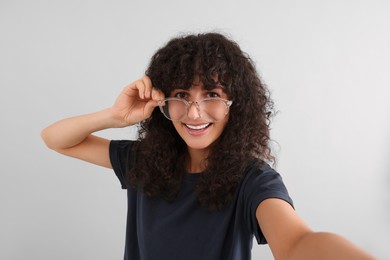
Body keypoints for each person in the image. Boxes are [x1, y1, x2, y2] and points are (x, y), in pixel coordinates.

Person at [41, 32, 375, 260]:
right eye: (182, 96)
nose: (194, 113)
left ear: (235, 103)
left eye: (211, 95)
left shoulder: (253, 179)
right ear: (163, 102)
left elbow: (298, 242)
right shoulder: (143, 161)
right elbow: (55, 139)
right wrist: (115, 116)